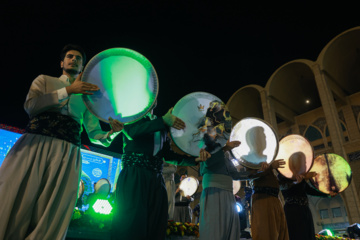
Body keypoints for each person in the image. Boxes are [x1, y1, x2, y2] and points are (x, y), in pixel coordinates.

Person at [0, 44, 123, 240]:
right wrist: (68, 90)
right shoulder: (44, 81)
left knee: (53, 206)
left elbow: (94, 134)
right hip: (35, 145)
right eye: (70, 56)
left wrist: (112, 134)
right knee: (19, 195)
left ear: (83, 67)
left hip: (67, 152)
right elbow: (31, 107)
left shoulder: (87, 97)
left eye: (78, 58)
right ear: (62, 62)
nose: (73, 59)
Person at [111, 105, 211, 240]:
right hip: (135, 175)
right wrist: (163, 121)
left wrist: (195, 159)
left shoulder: (161, 123)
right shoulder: (132, 117)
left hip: (157, 178)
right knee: (131, 223)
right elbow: (132, 132)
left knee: (156, 223)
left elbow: (168, 155)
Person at [199, 140, 273, 240]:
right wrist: (225, 148)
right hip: (214, 191)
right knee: (214, 227)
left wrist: (257, 171)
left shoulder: (226, 155)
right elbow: (208, 163)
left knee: (229, 228)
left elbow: (236, 175)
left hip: (228, 193)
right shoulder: (207, 146)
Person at [278, 152, 334, 240]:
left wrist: (327, 194)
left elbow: (309, 190)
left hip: (304, 210)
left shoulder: (302, 177)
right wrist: (299, 180)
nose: (304, 165)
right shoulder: (284, 175)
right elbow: (283, 187)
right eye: (303, 162)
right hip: (293, 211)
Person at [250, 158, 288, 240]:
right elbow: (251, 175)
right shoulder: (250, 156)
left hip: (275, 198)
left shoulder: (268, 155)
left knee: (281, 233)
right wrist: (271, 166)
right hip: (263, 199)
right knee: (265, 233)